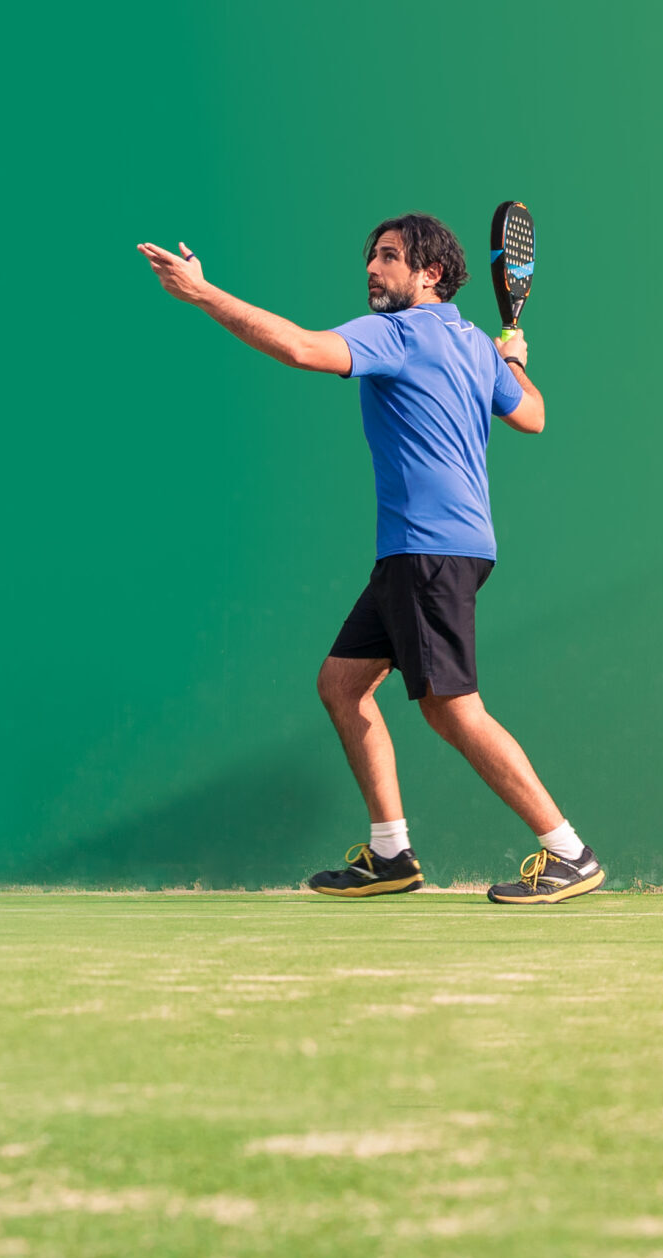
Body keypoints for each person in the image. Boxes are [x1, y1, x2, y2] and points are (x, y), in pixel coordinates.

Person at [135, 213, 603, 905]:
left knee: (451, 710)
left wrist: (203, 294)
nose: (371, 270)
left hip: (429, 551)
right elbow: (531, 413)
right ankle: (391, 853)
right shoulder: (476, 346)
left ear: (430, 273)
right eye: (371, 258)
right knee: (341, 684)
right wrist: (513, 358)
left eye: (387, 258)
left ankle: (568, 851)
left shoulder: (398, 333)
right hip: (429, 551)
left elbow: (298, 348)